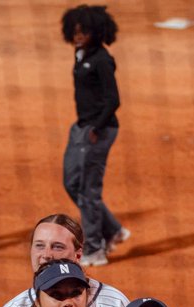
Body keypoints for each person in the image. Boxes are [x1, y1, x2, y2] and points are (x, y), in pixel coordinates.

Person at [60, 5, 129, 267]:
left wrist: (96, 129)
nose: (78, 36)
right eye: (75, 31)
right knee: (72, 183)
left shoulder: (101, 59)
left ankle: (95, 248)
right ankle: (113, 230)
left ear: (96, 32)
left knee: (88, 190)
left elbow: (114, 100)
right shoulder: (80, 54)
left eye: (84, 32)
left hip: (98, 130)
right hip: (81, 127)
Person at [0, 214, 129, 307]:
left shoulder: (114, 306)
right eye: (39, 245)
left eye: (57, 246)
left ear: (78, 255)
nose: (46, 255)